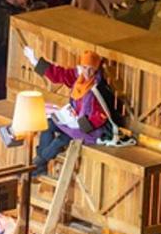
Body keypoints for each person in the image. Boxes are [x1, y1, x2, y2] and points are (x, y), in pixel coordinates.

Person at [21, 47, 114, 175]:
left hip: (88, 130)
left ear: (96, 69)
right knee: (47, 124)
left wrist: (82, 124)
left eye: (91, 69)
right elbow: (58, 74)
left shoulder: (98, 88)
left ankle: (37, 165)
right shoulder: (78, 78)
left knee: (61, 140)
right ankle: (40, 166)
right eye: (85, 67)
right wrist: (35, 61)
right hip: (71, 121)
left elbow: (102, 115)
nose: (87, 71)